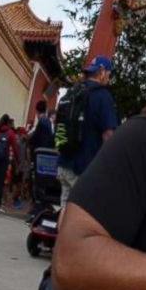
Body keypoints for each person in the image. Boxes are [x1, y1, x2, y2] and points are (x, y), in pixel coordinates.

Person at [56, 55, 118, 207]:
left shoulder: (73, 91)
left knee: (65, 209)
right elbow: (108, 135)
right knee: (81, 216)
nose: (108, 78)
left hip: (64, 162)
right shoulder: (103, 96)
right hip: (83, 169)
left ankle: (62, 231)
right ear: (102, 72)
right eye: (108, 74)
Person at [0, 114, 18, 214]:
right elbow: (14, 147)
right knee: (1, 182)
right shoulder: (10, 133)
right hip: (4, 160)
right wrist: (18, 159)